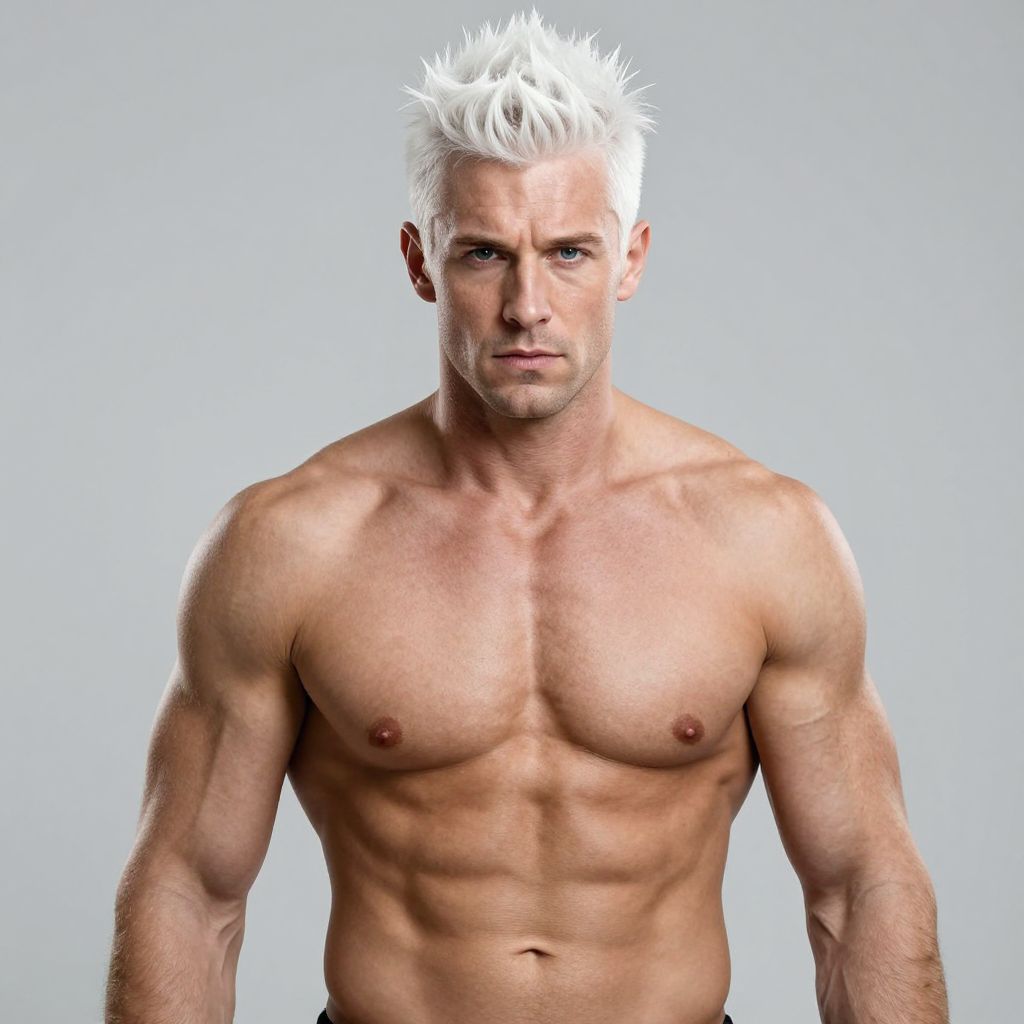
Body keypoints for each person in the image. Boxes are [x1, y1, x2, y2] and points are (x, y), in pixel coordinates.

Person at [104, 10, 949, 1024]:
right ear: (421, 261)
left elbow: (859, 888)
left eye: (568, 253)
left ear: (629, 261)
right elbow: (190, 892)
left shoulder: (763, 537)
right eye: (484, 256)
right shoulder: (291, 543)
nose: (527, 305)